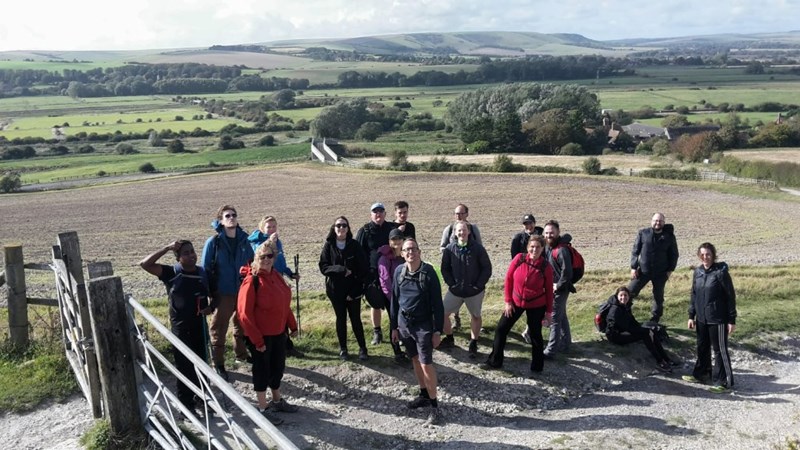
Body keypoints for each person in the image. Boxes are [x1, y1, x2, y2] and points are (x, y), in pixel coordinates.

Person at [140, 240, 212, 411]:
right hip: (180, 328)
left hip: (199, 325)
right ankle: (186, 406)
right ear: (178, 258)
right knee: (184, 366)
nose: (191, 255)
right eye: (186, 253)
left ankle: (203, 399)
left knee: (203, 364)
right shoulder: (171, 273)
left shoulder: (203, 273)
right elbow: (145, 264)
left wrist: (212, 307)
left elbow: (215, 295)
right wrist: (166, 248)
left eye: (192, 251)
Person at [238, 240, 299, 426]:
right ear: (256, 258)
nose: (266, 259)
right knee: (262, 371)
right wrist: (257, 341)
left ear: (275, 257)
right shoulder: (252, 281)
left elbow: (284, 303)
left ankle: (277, 400)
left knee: (277, 368)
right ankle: (263, 408)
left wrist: (292, 325)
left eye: (270, 256)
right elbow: (244, 314)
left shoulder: (276, 276)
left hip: (278, 333)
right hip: (261, 337)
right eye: (262, 256)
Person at [390, 238, 445, 425]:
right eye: (406, 250)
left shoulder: (428, 273)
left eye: (413, 249)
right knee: (414, 359)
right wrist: (394, 327)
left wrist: (437, 331)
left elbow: (438, 304)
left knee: (426, 364)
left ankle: (434, 406)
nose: (410, 252)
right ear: (402, 254)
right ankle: (423, 395)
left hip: (423, 327)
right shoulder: (399, 271)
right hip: (404, 325)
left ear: (419, 252)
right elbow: (394, 300)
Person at [483, 235, 553, 373]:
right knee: (501, 329)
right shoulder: (519, 258)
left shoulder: (546, 267)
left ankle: (537, 367)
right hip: (515, 302)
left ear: (542, 249)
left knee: (535, 335)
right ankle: (495, 361)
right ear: (527, 247)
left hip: (536, 304)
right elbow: (508, 279)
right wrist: (508, 301)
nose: (534, 250)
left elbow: (549, 291)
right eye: (532, 247)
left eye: (538, 247)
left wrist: (549, 312)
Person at [201, 205, 254, 381]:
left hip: (242, 290)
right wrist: (210, 293)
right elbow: (206, 269)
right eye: (227, 216)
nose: (231, 218)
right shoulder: (213, 242)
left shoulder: (245, 240)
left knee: (242, 323)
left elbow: (252, 263)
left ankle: (241, 355)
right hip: (222, 292)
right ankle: (218, 364)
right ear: (221, 221)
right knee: (219, 327)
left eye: (234, 215)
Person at [683, 242, 737, 394]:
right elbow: (694, 295)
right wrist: (691, 316)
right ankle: (702, 374)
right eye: (702, 254)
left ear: (713, 255)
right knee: (702, 347)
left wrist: (731, 320)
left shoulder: (721, 273)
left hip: (717, 319)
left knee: (720, 350)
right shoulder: (698, 272)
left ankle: (724, 382)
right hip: (701, 318)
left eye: (708, 254)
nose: (705, 257)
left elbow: (730, 296)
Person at [248, 215, 304, 358]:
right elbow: (258, 255)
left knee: (282, 311)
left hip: (277, 280)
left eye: (274, 226)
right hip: (264, 281)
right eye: (269, 227)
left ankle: (286, 346)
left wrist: (290, 274)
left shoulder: (278, 242)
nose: (272, 229)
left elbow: (280, 262)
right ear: (262, 228)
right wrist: (269, 242)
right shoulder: (256, 241)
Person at [319, 216, 370, 361]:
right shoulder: (329, 245)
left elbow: (363, 269)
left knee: (356, 319)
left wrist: (355, 291)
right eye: (338, 225)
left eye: (344, 225)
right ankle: (343, 349)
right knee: (340, 319)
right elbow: (323, 267)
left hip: (353, 290)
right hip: (335, 291)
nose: (341, 228)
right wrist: (341, 269)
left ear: (348, 228)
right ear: (334, 228)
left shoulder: (354, 245)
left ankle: (363, 348)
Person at [439, 221, 492, 358]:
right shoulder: (450, 249)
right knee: (442, 314)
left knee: (476, 316)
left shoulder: (478, 248)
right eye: (459, 230)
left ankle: (474, 342)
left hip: (474, 291)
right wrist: (451, 284)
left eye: (464, 230)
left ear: (469, 231)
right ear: (455, 233)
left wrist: (478, 285)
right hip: (455, 291)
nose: (461, 233)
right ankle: (449, 338)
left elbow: (487, 268)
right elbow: (445, 268)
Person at [605, 286, 674, 373]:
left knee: (650, 332)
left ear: (629, 296)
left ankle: (666, 359)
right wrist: (645, 331)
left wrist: (646, 330)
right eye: (621, 295)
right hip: (616, 336)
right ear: (617, 296)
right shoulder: (615, 309)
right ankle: (660, 362)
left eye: (625, 295)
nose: (623, 297)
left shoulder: (626, 306)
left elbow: (633, 322)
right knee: (646, 334)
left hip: (624, 332)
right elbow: (621, 326)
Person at [356, 202, 397, 345]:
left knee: (394, 303)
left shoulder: (392, 229)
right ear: (371, 215)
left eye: (381, 211)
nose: (378, 214)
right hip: (372, 275)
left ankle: (397, 332)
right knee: (375, 304)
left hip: (392, 273)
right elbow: (358, 254)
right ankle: (377, 332)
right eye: (375, 212)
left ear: (385, 214)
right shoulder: (364, 231)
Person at [628, 212, 679, 323]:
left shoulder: (669, 237)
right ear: (651, 221)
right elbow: (635, 251)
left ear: (664, 223)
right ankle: (624, 313)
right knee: (630, 292)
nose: (657, 223)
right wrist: (633, 267)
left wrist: (670, 270)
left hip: (661, 273)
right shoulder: (643, 233)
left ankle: (655, 319)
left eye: (660, 221)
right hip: (643, 271)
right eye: (655, 220)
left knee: (658, 297)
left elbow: (674, 254)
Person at [439, 203, 482, 329]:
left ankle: (475, 323)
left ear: (467, 214)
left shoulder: (473, 229)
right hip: (455, 271)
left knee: (473, 301)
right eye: (456, 213)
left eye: (461, 213)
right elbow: (442, 246)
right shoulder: (449, 229)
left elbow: (480, 246)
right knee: (454, 297)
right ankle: (456, 320)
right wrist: (451, 253)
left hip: (471, 270)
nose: (459, 216)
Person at [378, 228, 409, 363]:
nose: (396, 241)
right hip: (391, 298)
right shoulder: (384, 259)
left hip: (406, 296)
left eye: (399, 238)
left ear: (403, 240)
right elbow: (385, 282)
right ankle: (397, 352)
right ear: (389, 241)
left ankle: (409, 349)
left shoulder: (406, 255)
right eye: (393, 239)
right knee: (394, 323)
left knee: (407, 322)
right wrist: (394, 300)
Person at [543, 220, 573, 358]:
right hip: (556, 287)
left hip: (560, 288)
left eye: (551, 233)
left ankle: (551, 351)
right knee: (561, 315)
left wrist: (557, 285)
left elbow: (567, 273)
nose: (549, 235)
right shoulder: (549, 247)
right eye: (546, 233)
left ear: (558, 232)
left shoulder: (561, 250)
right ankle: (565, 343)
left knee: (554, 318)